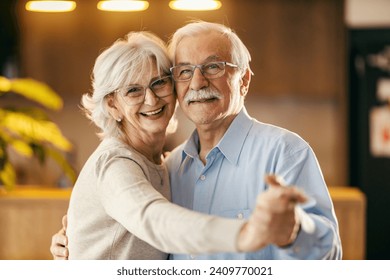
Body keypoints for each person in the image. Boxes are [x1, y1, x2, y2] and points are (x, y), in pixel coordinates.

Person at [51, 21, 342, 260]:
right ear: (113, 105)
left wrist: (296, 230)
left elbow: (328, 253)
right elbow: (151, 219)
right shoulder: (171, 166)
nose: (198, 82)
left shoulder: (284, 153)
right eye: (185, 71)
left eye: (213, 67)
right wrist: (76, 243)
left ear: (243, 80)